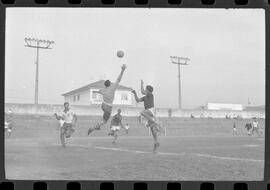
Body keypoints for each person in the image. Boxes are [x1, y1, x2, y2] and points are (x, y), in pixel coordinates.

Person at [88, 64, 126, 135]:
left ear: (105, 85)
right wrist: (122, 70)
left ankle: (98, 126)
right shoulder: (112, 88)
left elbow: (97, 91)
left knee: (104, 117)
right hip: (108, 107)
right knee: (104, 121)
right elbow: (118, 79)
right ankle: (92, 128)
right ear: (110, 84)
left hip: (103, 105)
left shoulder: (102, 90)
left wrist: (95, 91)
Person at [132, 80, 164, 153]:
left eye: (146, 89)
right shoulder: (145, 97)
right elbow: (137, 100)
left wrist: (141, 84)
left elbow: (142, 91)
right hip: (148, 113)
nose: (145, 91)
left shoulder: (150, 95)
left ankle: (155, 122)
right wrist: (135, 94)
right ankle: (156, 143)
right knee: (153, 130)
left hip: (151, 110)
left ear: (149, 91)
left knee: (142, 112)